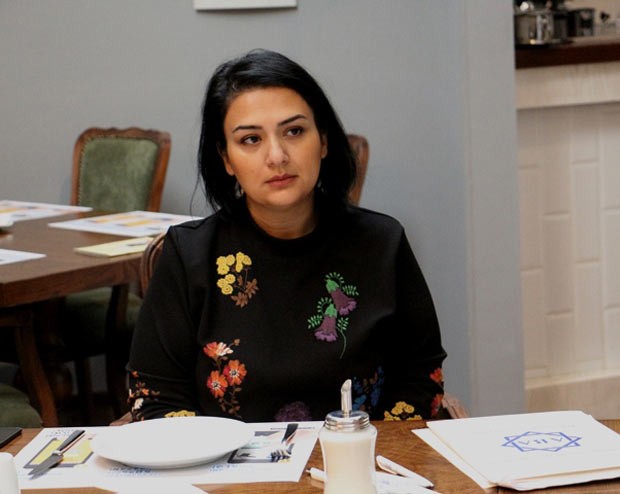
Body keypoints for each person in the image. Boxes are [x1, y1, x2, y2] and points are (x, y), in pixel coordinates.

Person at [127, 49, 447, 423]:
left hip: (361, 455)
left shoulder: (381, 243)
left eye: (294, 132)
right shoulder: (189, 254)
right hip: (227, 460)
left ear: (324, 140)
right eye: (250, 139)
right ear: (226, 158)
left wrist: (369, 451)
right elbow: (155, 395)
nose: (277, 156)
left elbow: (420, 376)